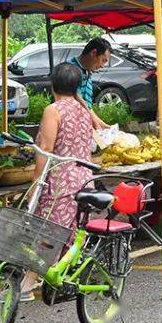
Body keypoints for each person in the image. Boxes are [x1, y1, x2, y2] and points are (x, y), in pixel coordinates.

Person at [24, 63, 98, 297]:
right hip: (84, 178)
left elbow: (45, 150)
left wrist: (35, 184)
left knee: (48, 231)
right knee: (70, 231)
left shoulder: (53, 110)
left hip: (60, 182)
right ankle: (61, 278)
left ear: (53, 84)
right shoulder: (83, 110)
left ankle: (28, 282)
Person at [68, 38, 113, 130]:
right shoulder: (69, 69)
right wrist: (95, 123)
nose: (102, 66)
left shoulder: (87, 71)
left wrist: (102, 124)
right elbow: (77, 99)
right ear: (93, 53)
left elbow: (87, 105)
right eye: (103, 60)